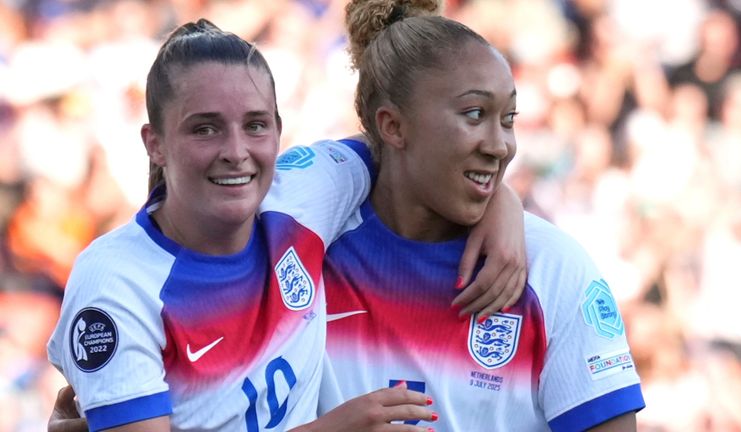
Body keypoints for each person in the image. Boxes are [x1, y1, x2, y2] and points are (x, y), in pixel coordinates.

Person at [46, 18, 527, 432]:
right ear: (154, 143)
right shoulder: (115, 282)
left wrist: (501, 203)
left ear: (278, 130)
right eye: (205, 128)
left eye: (255, 125)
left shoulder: (308, 190)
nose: (236, 151)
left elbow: (414, 149)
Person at [318, 1, 646, 431]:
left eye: (508, 119)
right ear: (393, 126)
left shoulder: (551, 266)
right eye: (475, 114)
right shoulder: (308, 248)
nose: (501, 146)